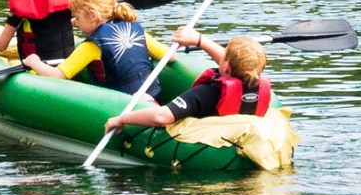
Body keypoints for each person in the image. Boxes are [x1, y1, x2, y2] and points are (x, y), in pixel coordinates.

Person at [104, 27, 271, 134]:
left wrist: (121, 119)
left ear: (226, 67)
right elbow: (232, 64)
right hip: (237, 137)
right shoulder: (253, 83)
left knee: (141, 97)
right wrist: (199, 41)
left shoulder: (209, 92)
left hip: (204, 138)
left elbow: (162, 117)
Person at [22, 0, 162, 99]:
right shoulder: (135, 28)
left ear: (93, 16)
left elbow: (56, 75)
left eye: (78, 17)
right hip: (153, 96)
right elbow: (170, 55)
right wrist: (76, 22)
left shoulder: (92, 45)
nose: (76, 22)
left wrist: (34, 61)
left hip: (123, 104)